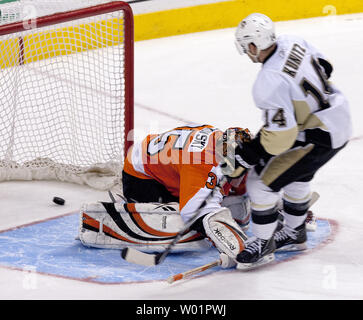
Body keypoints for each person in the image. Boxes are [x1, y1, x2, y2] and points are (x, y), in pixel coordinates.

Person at [224, 13, 352, 269]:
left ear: (253, 45)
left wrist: (250, 154)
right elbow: (326, 66)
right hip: (338, 117)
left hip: (319, 134)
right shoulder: (293, 41)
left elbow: (280, 139)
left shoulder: (268, 81)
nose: (247, 53)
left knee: (260, 181)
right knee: (297, 174)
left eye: (246, 47)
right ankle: (295, 232)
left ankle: (262, 242)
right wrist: (299, 105)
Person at [80, 124, 251, 268]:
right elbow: (196, 213)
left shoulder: (220, 141)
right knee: (186, 225)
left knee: (233, 202)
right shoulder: (201, 164)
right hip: (142, 177)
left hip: (165, 162)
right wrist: (240, 250)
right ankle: (130, 205)